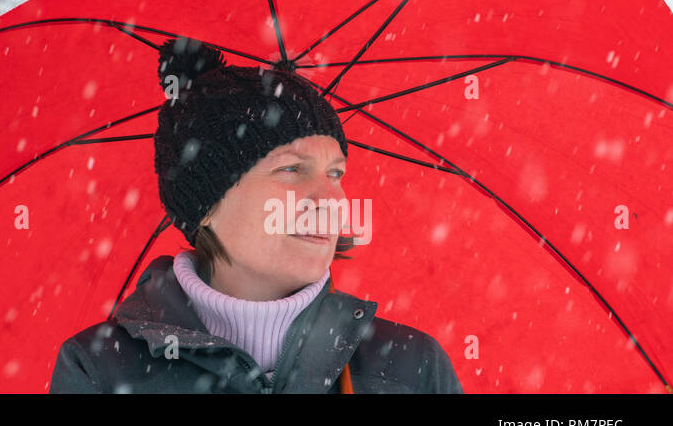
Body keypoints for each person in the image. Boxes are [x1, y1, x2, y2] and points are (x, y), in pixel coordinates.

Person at [48, 37, 463, 393]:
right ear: (207, 205)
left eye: (336, 172)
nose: (330, 198)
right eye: (292, 169)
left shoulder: (412, 368)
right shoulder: (100, 370)